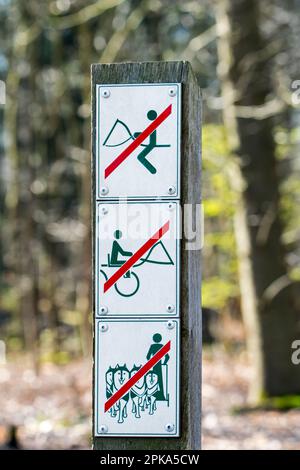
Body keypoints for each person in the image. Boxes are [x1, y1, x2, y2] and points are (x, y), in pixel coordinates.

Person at [146, 333, 169, 401]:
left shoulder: (152, 346)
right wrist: (164, 363)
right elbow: (167, 357)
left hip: (154, 365)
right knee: (160, 380)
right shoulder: (161, 346)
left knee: (152, 380)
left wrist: (151, 362)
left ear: (153, 339)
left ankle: (152, 395)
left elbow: (147, 357)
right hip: (159, 365)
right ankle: (161, 395)